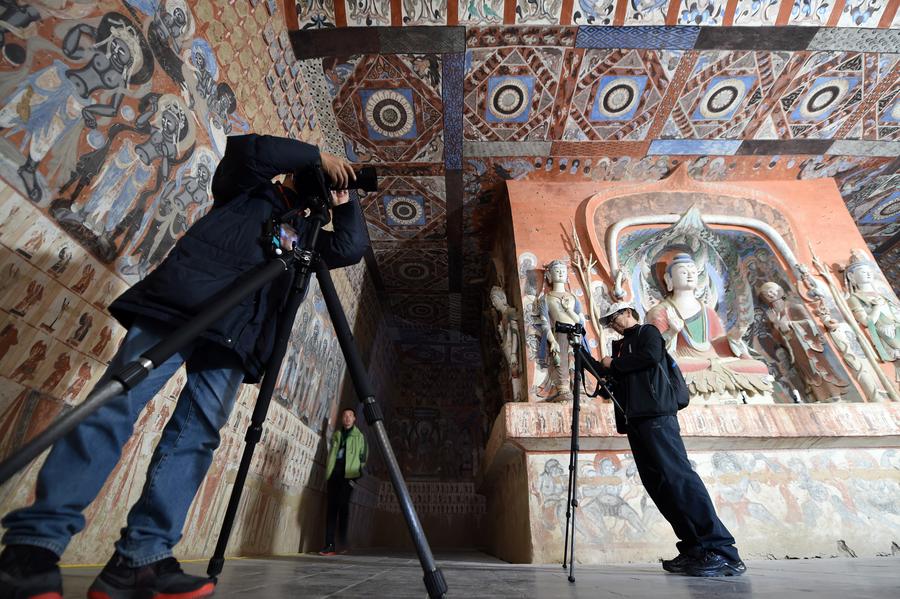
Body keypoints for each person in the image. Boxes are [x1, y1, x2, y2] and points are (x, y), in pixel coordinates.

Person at [0, 134, 367, 599]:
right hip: (179, 309)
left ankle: (140, 560)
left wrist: (346, 200)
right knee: (114, 407)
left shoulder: (305, 237)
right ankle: (33, 547)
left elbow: (351, 249)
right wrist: (317, 156)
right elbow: (248, 151)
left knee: (196, 439)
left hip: (238, 338)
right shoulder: (248, 189)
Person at [588, 301, 747, 577]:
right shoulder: (622, 347)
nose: (611, 324)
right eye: (607, 322)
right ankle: (694, 548)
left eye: (614, 317)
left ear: (628, 313)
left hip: (657, 416)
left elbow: (650, 356)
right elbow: (616, 382)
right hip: (635, 419)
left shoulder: (647, 332)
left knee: (679, 478)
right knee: (659, 486)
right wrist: (590, 363)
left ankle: (722, 551)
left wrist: (613, 364)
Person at [319, 408, 368, 556]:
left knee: (343, 507)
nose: (347, 418)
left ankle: (341, 542)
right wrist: (329, 472)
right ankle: (329, 545)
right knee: (331, 510)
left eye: (350, 416)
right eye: (344, 416)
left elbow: (363, 456)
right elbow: (333, 455)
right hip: (334, 475)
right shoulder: (337, 435)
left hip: (349, 477)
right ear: (342, 419)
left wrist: (355, 471)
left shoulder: (359, 437)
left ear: (354, 419)